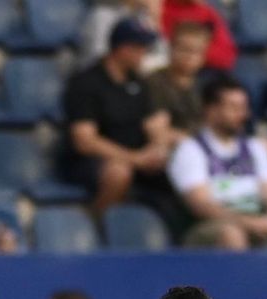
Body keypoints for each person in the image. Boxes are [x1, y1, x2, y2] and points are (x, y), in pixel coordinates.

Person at [170, 77, 267, 250]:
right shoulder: (190, 150)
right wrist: (249, 223)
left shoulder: (255, 148)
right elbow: (202, 206)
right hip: (210, 226)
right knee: (232, 235)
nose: (243, 115)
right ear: (211, 110)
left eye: (244, 108)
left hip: (258, 219)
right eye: (234, 108)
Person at [60, 17, 177, 220]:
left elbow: (154, 123)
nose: (144, 54)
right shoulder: (86, 83)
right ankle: (99, 226)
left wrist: (157, 148)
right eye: (140, 48)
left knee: (181, 166)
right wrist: (135, 159)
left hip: (138, 155)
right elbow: (85, 141)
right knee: (118, 172)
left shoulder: (138, 81)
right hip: (92, 161)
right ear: (123, 48)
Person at [146, 21, 210, 137]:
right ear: (171, 48)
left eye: (196, 51)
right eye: (184, 49)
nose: (189, 57)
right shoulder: (155, 82)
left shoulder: (206, 85)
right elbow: (156, 129)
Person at [161, 0, 235, 72]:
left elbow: (226, 55)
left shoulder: (206, 12)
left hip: (205, 70)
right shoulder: (161, 8)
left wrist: (197, 51)